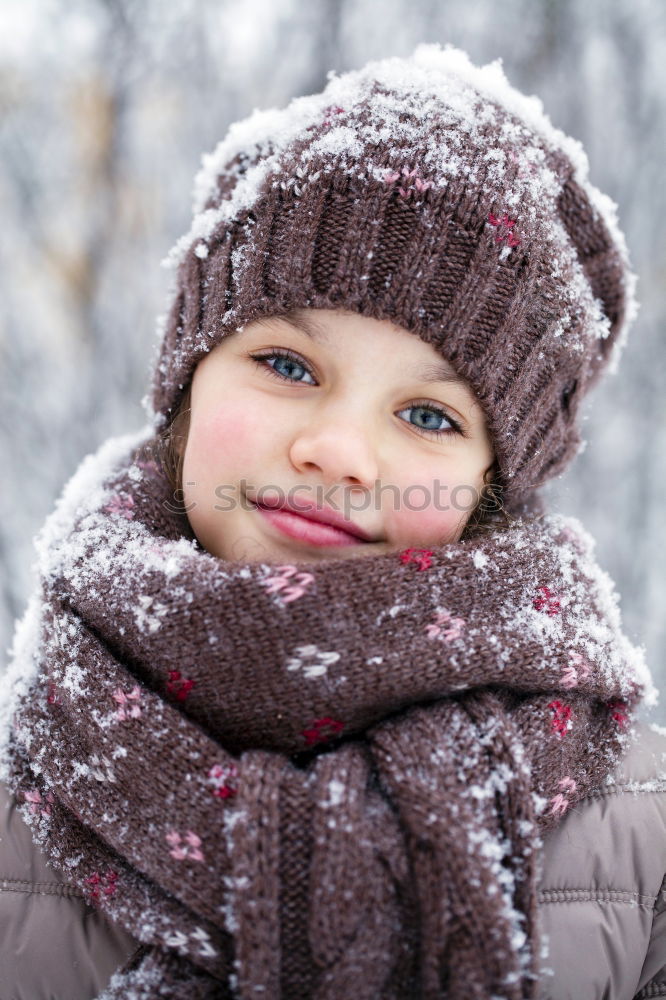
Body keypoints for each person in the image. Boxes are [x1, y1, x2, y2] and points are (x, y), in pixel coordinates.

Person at [0, 43, 665, 1000]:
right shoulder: (27, 772)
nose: (340, 452)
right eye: (287, 366)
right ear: (186, 382)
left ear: (491, 486)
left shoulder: (639, 832)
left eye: (430, 416)